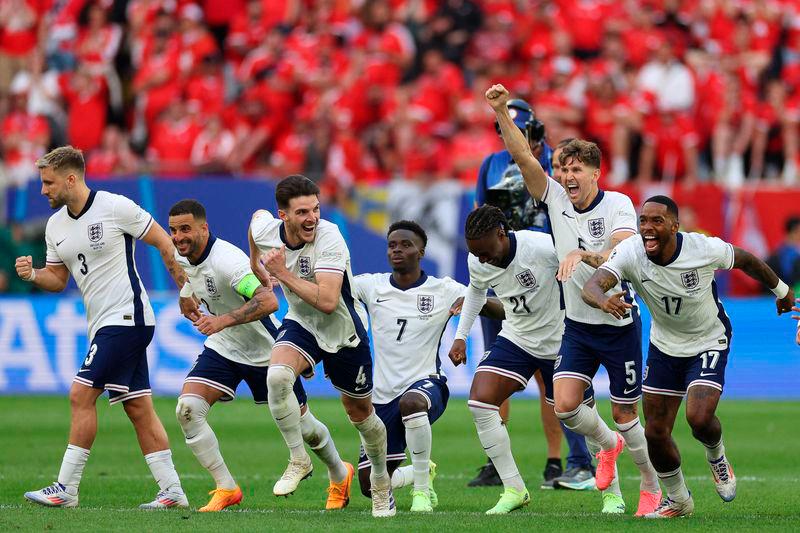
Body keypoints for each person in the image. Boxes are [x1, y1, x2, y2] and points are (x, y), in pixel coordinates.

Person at [486, 83, 661, 516]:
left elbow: (621, 250)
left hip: (619, 323)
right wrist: (502, 113)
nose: (566, 177)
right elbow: (525, 158)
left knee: (626, 415)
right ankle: (607, 448)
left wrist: (583, 253)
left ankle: (651, 485)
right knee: (565, 406)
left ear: (595, 173)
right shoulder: (556, 199)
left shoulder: (618, 204)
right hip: (579, 327)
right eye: (562, 170)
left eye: (575, 170)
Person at [582, 195, 794, 518]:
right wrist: (603, 301)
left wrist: (781, 290)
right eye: (643, 222)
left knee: (698, 418)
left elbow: (746, 260)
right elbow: (594, 285)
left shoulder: (702, 248)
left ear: (675, 226)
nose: (647, 229)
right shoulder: (630, 252)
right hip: (664, 346)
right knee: (655, 431)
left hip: (709, 338)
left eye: (656, 221)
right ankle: (679, 499)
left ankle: (716, 455)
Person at [17, 146, 196, 509]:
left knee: (80, 395)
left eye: (49, 183)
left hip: (127, 317)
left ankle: (66, 488)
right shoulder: (55, 226)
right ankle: (173, 492)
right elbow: (58, 278)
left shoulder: (115, 207)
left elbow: (163, 241)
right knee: (138, 407)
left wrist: (185, 288)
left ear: (71, 178)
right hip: (103, 324)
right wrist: (35, 274)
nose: (43, 191)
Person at [168, 199, 352, 512]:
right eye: (173, 230)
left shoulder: (228, 262)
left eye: (185, 229)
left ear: (204, 228)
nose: (178, 237)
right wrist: (186, 296)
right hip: (223, 347)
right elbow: (190, 276)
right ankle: (226, 488)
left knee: (305, 427)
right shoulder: (181, 253)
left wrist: (221, 320)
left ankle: (339, 473)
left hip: (266, 349)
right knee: (187, 410)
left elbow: (268, 301)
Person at [249, 175, 394, 518]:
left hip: (343, 330)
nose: (312, 217)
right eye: (302, 212)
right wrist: (258, 267)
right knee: (277, 377)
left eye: (315, 208)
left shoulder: (330, 238)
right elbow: (254, 224)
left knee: (360, 414)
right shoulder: (268, 229)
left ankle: (380, 483)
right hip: (301, 323)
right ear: (282, 215)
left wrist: (280, 274)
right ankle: (298, 458)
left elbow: (328, 301)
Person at [472, 98, 594, 491]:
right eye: (507, 129)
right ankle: (497, 460)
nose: (515, 138)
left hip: (549, 269)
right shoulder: (490, 165)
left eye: (522, 130)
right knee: (497, 367)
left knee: (555, 378)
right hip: (507, 273)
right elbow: (480, 213)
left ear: (536, 133)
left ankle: (567, 459)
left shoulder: (555, 170)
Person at [448, 206, 595, 515]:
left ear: (502, 234)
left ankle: (612, 489)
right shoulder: (478, 258)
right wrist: (461, 336)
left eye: (486, 252)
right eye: (476, 254)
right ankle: (514, 488)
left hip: (561, 341)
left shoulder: (540, 247)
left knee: (580, 419)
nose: (482, 259)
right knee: (480, 401)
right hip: (517, 338)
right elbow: (476, 292)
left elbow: (583, 268)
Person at [353, 220, 504, 512]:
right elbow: (331, 289)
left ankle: (421, 492)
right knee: (368, 485)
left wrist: (479, 304)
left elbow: (493, 307)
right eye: (392, 245)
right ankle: (423, 471)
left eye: (406, 244)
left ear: (421, 251)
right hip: (382, 396)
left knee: (411, 402)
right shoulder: (371, 285)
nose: (397, 250)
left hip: (427, 384)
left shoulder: (443, 289)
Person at [766, 216, 800, 293]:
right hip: (784, 296)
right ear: (795, 231)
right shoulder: (786, 256)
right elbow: (789, 278)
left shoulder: (778, 252)